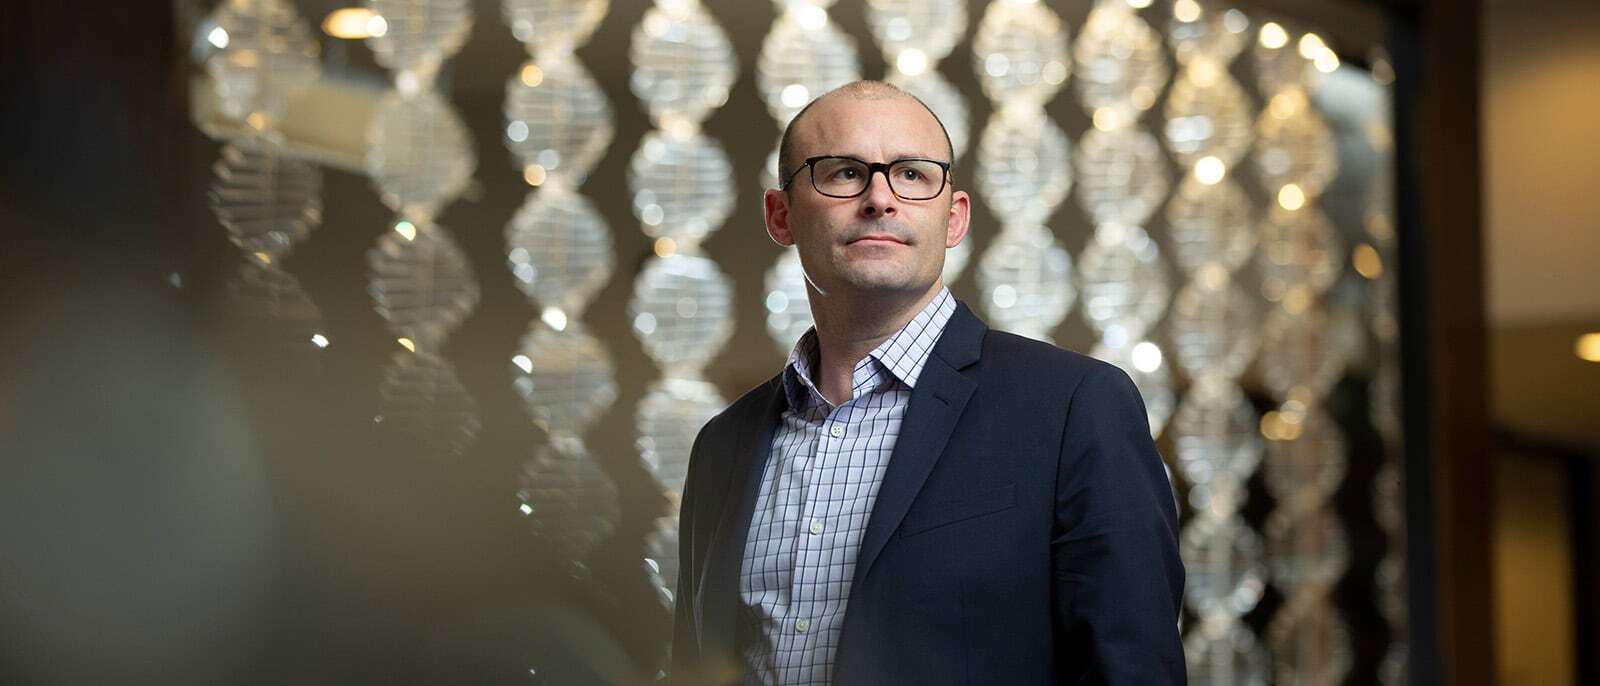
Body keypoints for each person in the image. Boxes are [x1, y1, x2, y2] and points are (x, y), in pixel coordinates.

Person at [669, 80, 1184, 685]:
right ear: (780, 216)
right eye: (842, 172)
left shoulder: (1073, 407)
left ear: (954, 217)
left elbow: (1131, 671)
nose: (881, 199)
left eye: (912, 175)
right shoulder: (722, 446)